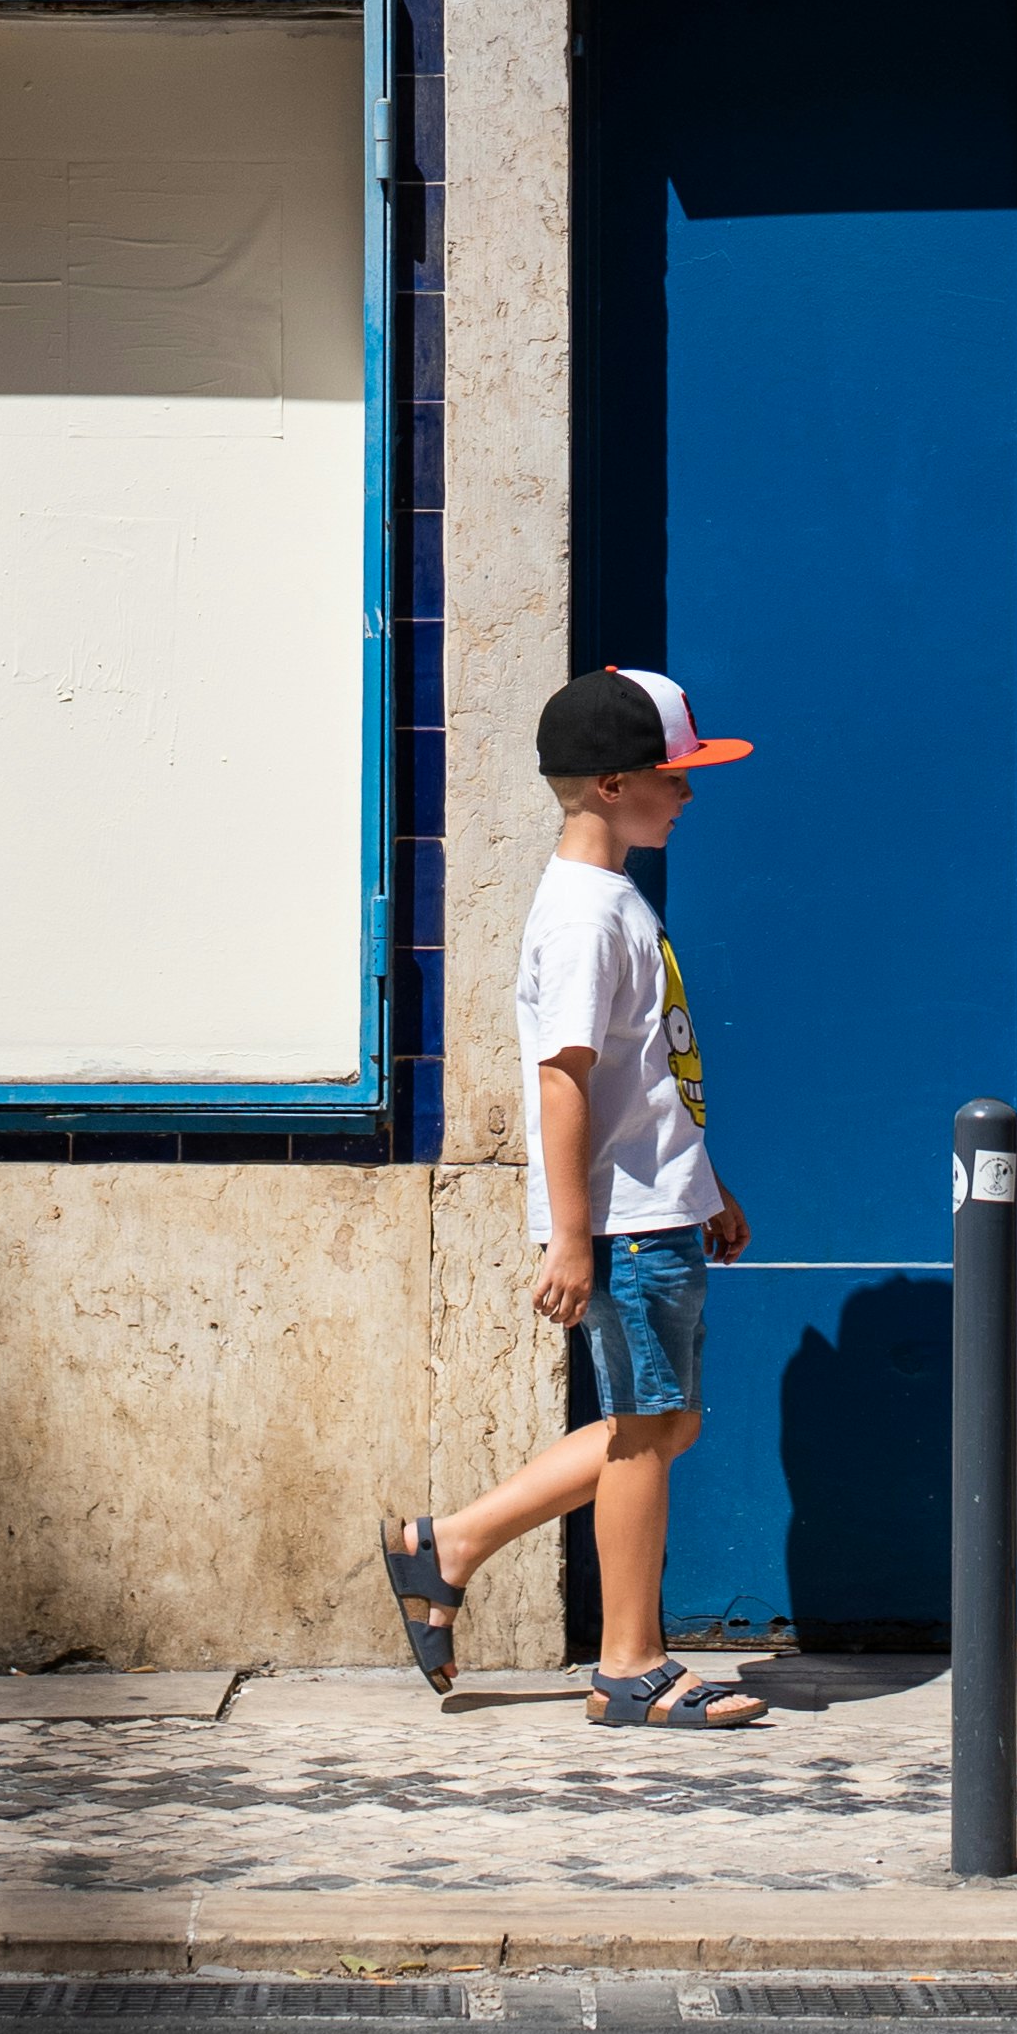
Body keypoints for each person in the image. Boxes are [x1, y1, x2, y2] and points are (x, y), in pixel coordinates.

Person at [380, 662, 766, 1730]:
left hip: (657, 1207)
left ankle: (445, 1544)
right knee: (645, 1432)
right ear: (609, 784)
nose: (686, 793)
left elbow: (642, 1077)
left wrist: (704, 1178)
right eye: (670, 774)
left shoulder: (612, 902)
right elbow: (563, 1080)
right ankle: (630, 1664)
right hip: (625, 1230)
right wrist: (568, 1236)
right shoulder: (585, 918)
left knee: (664, 1423)